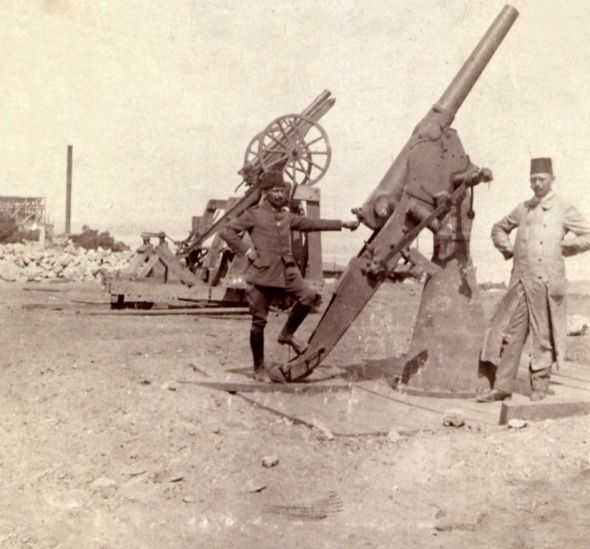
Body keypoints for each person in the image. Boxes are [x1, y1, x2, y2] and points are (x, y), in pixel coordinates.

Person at [219, 171, 359, 381]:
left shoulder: (286, 216)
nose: (280, 194)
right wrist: (247, 252)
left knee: (310, 297)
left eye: (282, 190)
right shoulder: (253, 214)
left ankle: (287, 334)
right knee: (259, 323)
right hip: (261, 275)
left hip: (287, 273)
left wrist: (342, 223)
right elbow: (227, 231)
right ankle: (258, 368)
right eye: (275, 190)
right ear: (265, 192)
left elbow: (311, 224)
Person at [476, 157, 590, 402]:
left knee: (543, 337)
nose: (537, 184)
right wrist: (507, 248)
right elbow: (498, 228)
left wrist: (564, 247)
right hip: (520, 283)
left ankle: (539, 387)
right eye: (533, 180)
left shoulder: (564, 209)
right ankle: (502, 387)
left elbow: (588, 235)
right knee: (511, 333)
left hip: (547, 285)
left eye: (541, 179)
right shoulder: (523, 209)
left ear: (552, 180)